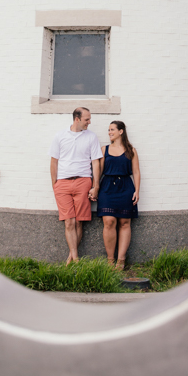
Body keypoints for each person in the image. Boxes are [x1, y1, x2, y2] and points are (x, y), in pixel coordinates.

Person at [50, 107, 102, 264]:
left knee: (79, 221)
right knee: (69, 221)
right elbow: (54, 161)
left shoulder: (91, 137)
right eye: (87, 119)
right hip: (63, 182)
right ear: (77, 119)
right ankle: (76, 258)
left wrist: (96, 185)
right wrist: (55, 184)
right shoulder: (60, 136)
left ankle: (71, 257)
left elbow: (96, 162)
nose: (89, 122)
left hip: (83, 181)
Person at [90, 121, 140, 270]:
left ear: (121, 131)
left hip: (126, 187)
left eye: (112, 129)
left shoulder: (131, 150)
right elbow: (98, 171)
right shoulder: (104, 149)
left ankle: (121, 260)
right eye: (108, 130)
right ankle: (110, 260)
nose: (109, 132)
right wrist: (95, 187)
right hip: (107, 188)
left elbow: (136, 172)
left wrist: (137, 190)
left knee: (125, 223)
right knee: (109, 221)